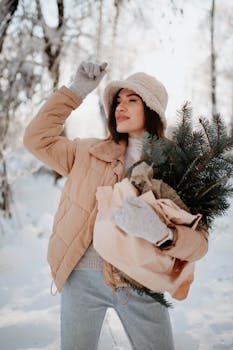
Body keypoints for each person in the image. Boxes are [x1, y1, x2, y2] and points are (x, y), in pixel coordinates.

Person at [23, 61, 208, 350]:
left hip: (140, 282)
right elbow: (36, 139)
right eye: (117, 101)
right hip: (81, 278)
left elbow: (200, 243)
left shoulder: (175, 167)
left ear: (152, 109)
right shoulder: (87, 152)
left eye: (131, 100)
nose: (120, 106)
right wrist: (76, 90)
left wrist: (164, 235)